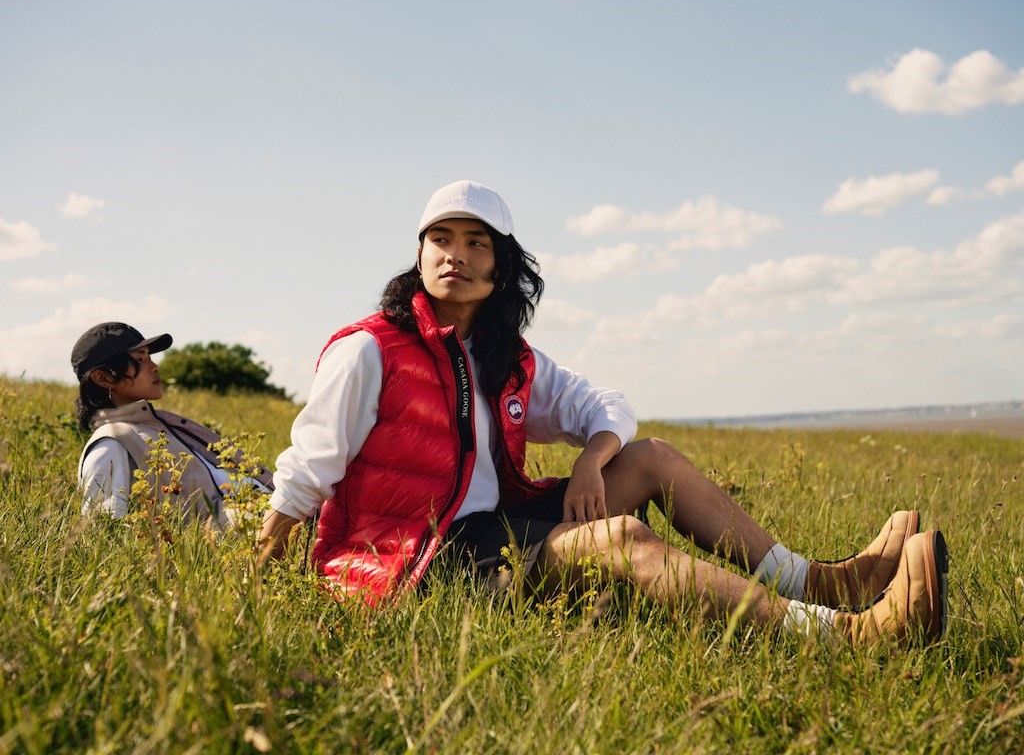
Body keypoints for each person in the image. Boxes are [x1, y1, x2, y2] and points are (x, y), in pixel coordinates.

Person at [259, 180, 948, 646]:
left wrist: (593, 455)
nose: (457, 256)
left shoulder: (505, 354)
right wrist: (267, 566)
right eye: (442, 239)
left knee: (647, 456)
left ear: (501, 267)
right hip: (420, 559)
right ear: (419, 253)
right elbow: (311, 462)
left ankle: (826, 581)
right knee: (618, 537)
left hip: (500, 529)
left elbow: (604, 405)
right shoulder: (370, 349)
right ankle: (845, 634)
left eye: (477, 243)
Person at [72, 322, 274, 525]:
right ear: (103, 378)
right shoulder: (110, 445)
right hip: (246, 544)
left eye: (150, 357)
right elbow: (105, 530)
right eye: (140, 359)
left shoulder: (160, 425)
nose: (154, 367)